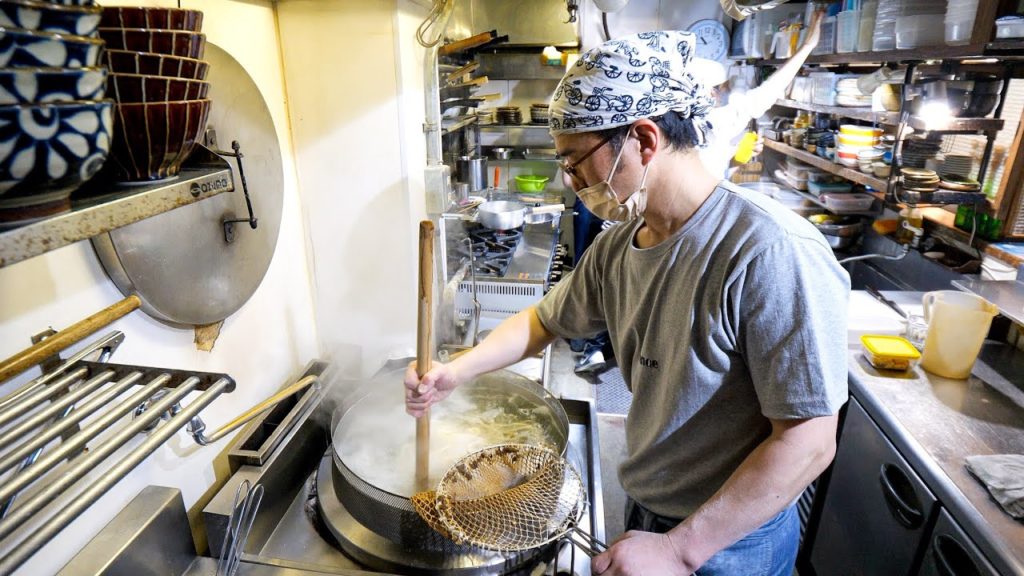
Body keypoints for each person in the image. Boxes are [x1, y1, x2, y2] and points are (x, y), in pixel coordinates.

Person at [407, 28, 849, 576]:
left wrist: (681, 549)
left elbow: (808, 439)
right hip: (649, 509)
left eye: (575, 162)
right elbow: (544, 321)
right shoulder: (621, 243)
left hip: (731, 540)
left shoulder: (770, 251)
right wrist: (456, 372)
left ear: (643, 140)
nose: (571, 183)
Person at [698, 9, 823, 178]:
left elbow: (715, 166)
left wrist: (737, 157)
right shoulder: (713, 120)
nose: (726, 90)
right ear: (712, 92)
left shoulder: (708, 121)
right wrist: (807, 46)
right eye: (722, 87)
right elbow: (770, 90)